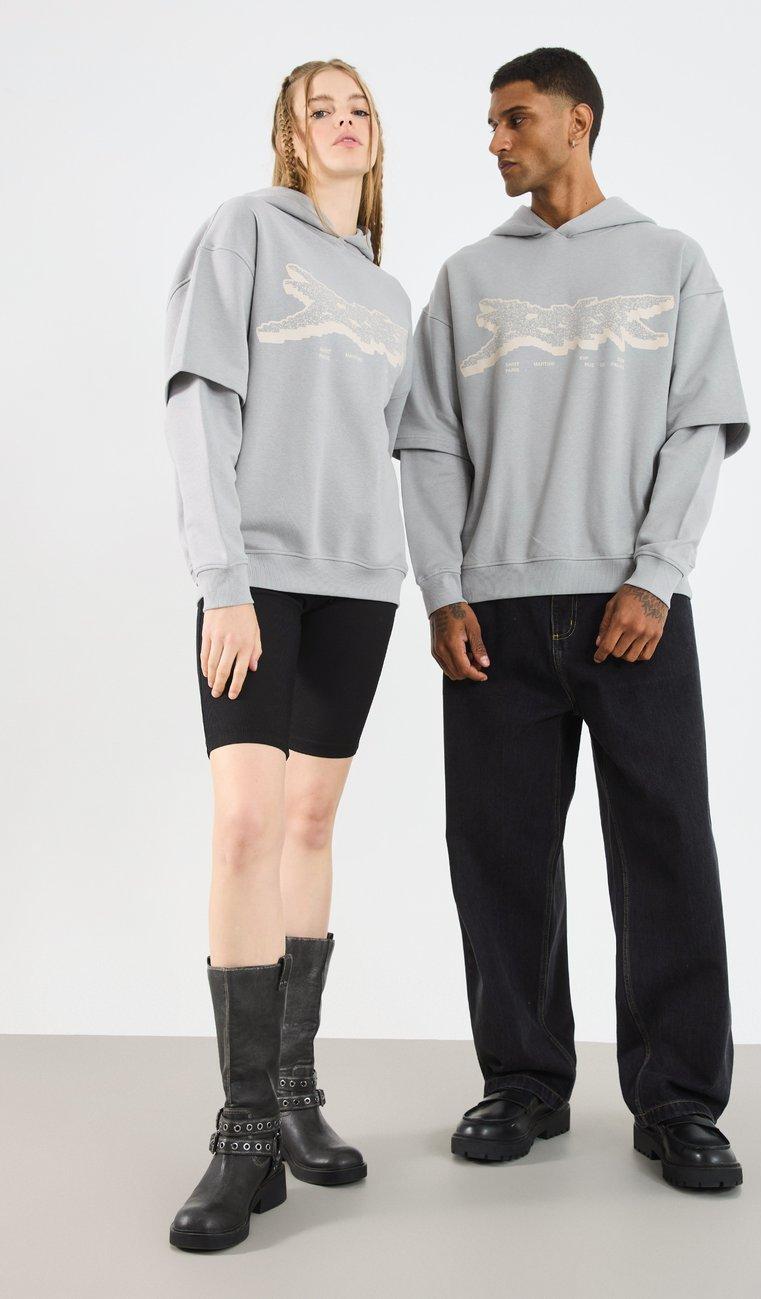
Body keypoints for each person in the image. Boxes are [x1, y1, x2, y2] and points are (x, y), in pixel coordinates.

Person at [396, 46, 749, 1191]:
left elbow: (699, 426)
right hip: (492, 616)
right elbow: (429, 445)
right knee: (498, 854)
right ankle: (522, 1083)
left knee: (666, 852)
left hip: (632, 608)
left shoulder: (670, 260)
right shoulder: (466, 278)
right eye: (490, 123)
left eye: (515, 119)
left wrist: (656, 575)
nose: (495, 141)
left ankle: (680, 1102)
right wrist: (442, 589)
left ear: (578, 120)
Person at [163, 59, 412, 1250]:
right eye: (322, 108)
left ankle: (297, 1092)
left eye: (359, 106)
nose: (344, 120)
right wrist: (222, 581)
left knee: (310, 826)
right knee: (245, 828)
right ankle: (244, 1131)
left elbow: (406, 452)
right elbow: (198, 403)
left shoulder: (390, 293)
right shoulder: (244, 233)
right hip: (258, 579)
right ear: (291, 136)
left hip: (360, 586)